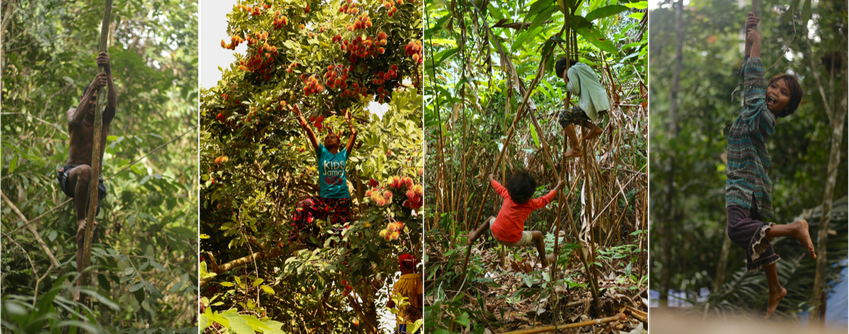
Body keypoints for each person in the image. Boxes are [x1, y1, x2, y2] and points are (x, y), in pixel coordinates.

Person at [725, 12, 814, 319]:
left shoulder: (762, 116)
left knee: (738, 228)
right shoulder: (757, 109)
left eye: (783, 92)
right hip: (756, 188)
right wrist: (750, 35)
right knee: (758, 239)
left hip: (744, 186)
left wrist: (758, 45)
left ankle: (794, 228)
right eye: (773, 86)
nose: (774, 91)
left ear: (787, 107)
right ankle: (775, 288)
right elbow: (749, 82)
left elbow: (751, 90)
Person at [56, 51, 117, 298]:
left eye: (96, 100)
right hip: (72, 175)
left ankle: (80, 288)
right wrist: (93, 86)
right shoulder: (75, 113)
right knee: (84, 170)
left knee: (84, 238)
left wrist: (108, 72)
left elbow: (112, 103)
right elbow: (75, 119)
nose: (94, 103)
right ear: (83, 97)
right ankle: (81, 218)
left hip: (94, 183)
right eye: (90, 98)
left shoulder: (103, 121)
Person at [288, 105, 357, 243]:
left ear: (339, 142)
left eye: (332, 137)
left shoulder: (343, 155)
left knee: (342, 238)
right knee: (302, 205)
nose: (329, 139)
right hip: (325, 201)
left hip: (341, 202)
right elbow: (309, 130)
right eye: (326, 138)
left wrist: (348, 121)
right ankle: (294, 235)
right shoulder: (322, 153)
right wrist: (299, 115)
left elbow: (354, 134)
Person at [468, 170, 564, 267]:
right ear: (529, 193)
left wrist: (491, 179)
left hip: (496, 234)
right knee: (538, 235)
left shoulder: (507, 194)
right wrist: (558, 187)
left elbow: (497, 187)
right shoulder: (530, 204)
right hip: (514, 240)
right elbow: (545, 199)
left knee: (490, 219)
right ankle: (544, 261)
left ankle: (473, 237)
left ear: (512, 187)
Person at [554, 57, 609, 158]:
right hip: (602, 103)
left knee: (564, 116)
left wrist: (566, 79)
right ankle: (593, 128)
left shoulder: (571, 70)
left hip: (593, 103)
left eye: (562, 75)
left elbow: (575, 90)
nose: (564, 78)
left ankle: (576, 148)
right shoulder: (584, 66)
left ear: (564, 67)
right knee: (574, 117)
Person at [387, 253, 423, 334]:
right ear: (414, 266)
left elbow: (389, 305)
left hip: (401, 323)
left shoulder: (397, 284)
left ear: (400, 268)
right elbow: (421, 301)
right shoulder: (416, 279)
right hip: (413, 323)